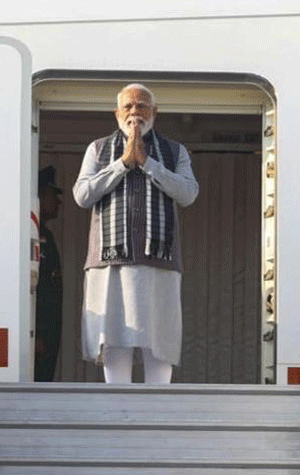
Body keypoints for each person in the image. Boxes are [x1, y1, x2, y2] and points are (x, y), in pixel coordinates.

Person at [73, 83, 198, 383]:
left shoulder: (174, 151)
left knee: (161, 341)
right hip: (109, 262)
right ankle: (117, 412)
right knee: (115, 338)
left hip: (160, 261)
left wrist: (148, 164)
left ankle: (158, 413)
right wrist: (123, 164)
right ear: (117, 113)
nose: (134, 113)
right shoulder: (99, 148)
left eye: (142, 106)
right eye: (128, 107)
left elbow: (188, 193)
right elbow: (82, 194)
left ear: (155, 113)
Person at [34, 165, 64, 382]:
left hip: (50, 332)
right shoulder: (31, 236)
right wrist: (36, 334)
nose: (58, 202)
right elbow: (37, 289)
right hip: (39, 335)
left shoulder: (46, 235)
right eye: (54, 195)